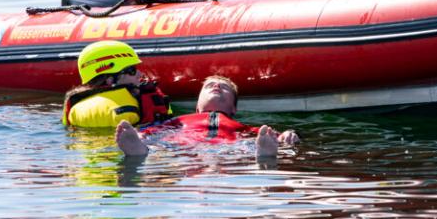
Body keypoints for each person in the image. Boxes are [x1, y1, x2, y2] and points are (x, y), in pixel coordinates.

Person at [115, 75, 300, 161]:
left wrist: (286, 135)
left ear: (233, 107)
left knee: (258, 141)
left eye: (224, 87)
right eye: (210, 85)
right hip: (182, 146)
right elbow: (154, 130)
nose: (217, 87)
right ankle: (138, 151)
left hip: (230, 146)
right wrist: (140, 136)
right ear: (197, 106)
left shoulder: (242, 127)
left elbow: (273, 136)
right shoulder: (177, 121)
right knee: (151, 142)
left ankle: (264, 155)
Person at [62, 40, 173, 128]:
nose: (140, 74)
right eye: (131, 70)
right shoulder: (128, 110)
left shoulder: (75, 110)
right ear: (110, 80)